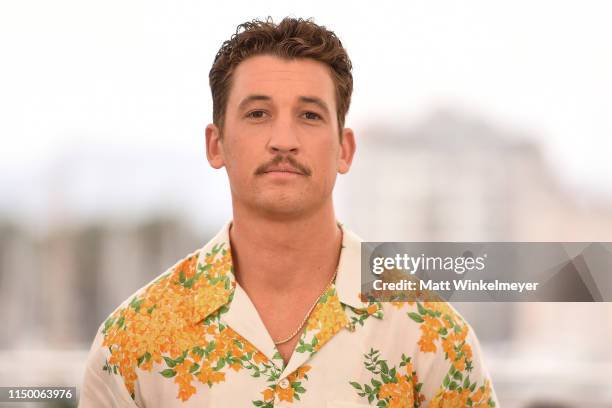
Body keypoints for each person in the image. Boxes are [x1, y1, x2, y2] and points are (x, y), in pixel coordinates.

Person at [79, 16, 499, 407]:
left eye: (310, 115)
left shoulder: (432, 333)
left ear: (345, 149)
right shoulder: (131, 343)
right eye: (258, 114)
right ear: (216, 144)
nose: (283, 139)